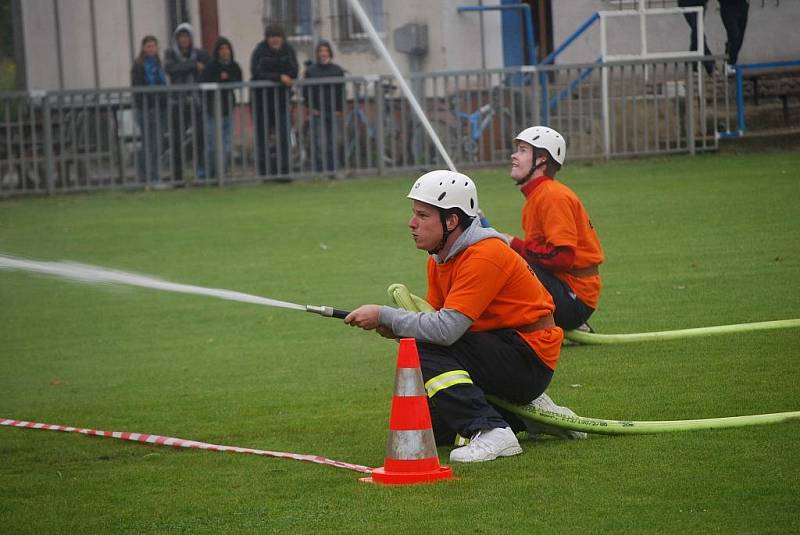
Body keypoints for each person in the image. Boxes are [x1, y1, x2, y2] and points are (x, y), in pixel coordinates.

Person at [345, 170, 570, 463]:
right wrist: (394, 327)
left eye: (423, 216)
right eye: (414, 214)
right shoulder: (440, 259)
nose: (412, 223)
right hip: (506, 351)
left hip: (528, 359)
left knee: (423, 349)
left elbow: (445, 332)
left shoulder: (484, 255)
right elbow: (440, 322)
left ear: (451, 221)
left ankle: (493, 431)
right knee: (435, 425)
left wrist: (385, 315)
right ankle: (528, 419)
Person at [504, 127, 604, 332]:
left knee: (511, 269)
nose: (514, 155)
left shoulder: (551, 196)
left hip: (575, 298)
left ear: (541, 160)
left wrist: (513, 245)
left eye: (523, 150)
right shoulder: (539, 195)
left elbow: (562, 258)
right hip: (567, 290)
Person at [164, 23, 210, 182]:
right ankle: (177, 176)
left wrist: (189, 67)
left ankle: (200, 173)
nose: (184, 40)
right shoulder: (170, 54)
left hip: (196, 102)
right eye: (181, 37)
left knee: (200, 137)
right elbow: (170, 69)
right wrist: (192, 66)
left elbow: (207, 68)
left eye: (186, 36)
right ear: (177, 39)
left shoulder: (200, 53)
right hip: (177, 102)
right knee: (176, 139)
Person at [250, 25, 298, 177]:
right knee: (262, 138)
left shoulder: (288, 50)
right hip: (261, 102)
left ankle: (284, 171)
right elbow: (256, 72)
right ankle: (264, 173)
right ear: (267, 38)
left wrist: (281, 76)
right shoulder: (260, 51)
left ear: (282, 38)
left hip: (282, 101)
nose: (275, 39)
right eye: (272, 36)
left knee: (284, 136)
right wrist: (279, 77)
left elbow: (294, 71)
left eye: (278, 36)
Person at [199, 36, 243, 180]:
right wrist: (220, 79)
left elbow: (238, 81)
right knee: (212, 144)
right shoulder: (211, 66)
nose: (225, 51)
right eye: (222, 49)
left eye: (227, 48)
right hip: (211, 109)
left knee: (226, 144)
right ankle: (207, 173)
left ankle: (221, 172)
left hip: (228, 108)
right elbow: (204, 83)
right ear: (217, 51)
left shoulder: (234, 66)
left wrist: (228, 79)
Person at [303, 41, 345, 175]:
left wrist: (340, 109)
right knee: (317, 142)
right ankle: (319, 171)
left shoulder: (337, 70)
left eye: (326, 50)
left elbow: (341, 91)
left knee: (332, 142)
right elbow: (306, 91)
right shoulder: (311, 71)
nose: (323, 53)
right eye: (321, 51)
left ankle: (332, 170)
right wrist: (309, 107)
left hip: (333, 111)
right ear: (317, 53)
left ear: (330, 53)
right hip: (317, 111)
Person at [130, 35, 167, 184]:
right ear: (143, 48)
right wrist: (148, 105)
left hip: (159, 109)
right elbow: (138, 89)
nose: (152, 48)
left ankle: (154, 175)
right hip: (145, 109)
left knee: (156, 144)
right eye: (149, 46)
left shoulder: (159, 65)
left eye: (154, 45)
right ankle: (146, 176)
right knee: (148, 143)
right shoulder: (138, 66)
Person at [678, 0, 715, 76]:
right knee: (698, 31)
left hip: (700, 2)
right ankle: (710, 64)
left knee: (697, 33)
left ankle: (693, 64)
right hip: (687, 3)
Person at [719, 0, 749, 74]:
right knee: (734, 35)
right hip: (727, 7)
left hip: (741, 6)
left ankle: (730, 61)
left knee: (739, 38)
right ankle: (729, 63)